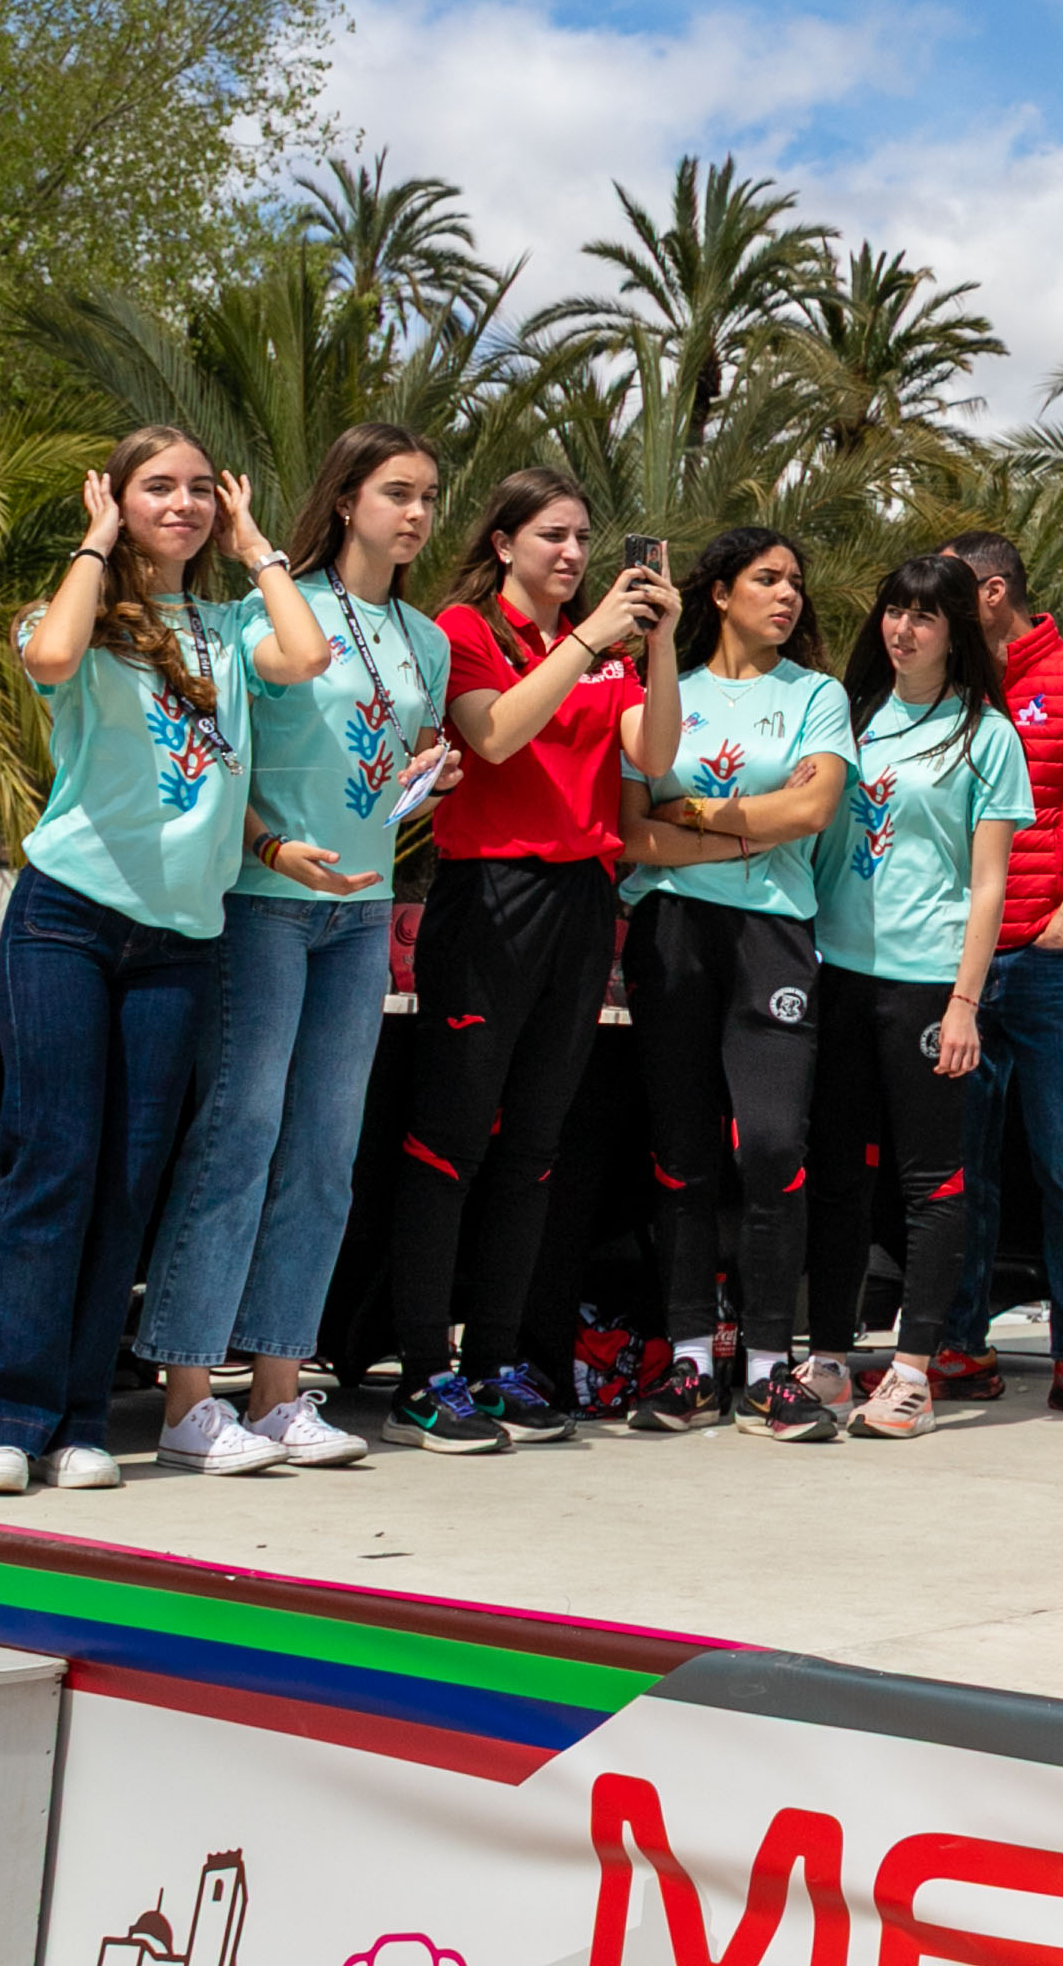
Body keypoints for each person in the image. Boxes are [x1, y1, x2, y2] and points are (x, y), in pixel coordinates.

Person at [0, 428, 333, 1494]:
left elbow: (307, 657)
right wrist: (96, 540)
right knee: (53, 1162)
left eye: (202, 488)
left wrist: (256, 547)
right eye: (158, 486)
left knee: (126, 1182)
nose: (185, 503)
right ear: (114, 498)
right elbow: (51, 661)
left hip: (179, 941)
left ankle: (77, 1422)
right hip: (68, 919)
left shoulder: (232, 627)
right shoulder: (65, 611)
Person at [138, 422, 456, 1478]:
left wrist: (426, 783)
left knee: (325, 1152)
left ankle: (279, 1395)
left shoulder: (426, 638)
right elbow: (220, 762)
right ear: (348, 497)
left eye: (429, 497)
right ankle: (188, 1397)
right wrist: (275, 847)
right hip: (265, 905)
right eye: (398, 492)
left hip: (361, 915)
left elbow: (397, 767)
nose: (417, 514)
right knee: (240, 1136)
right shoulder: (259, 614)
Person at [393, 471, 680, 1454]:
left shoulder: (603, 651)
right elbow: (493, 734)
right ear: (504, 541)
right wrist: (592, 639)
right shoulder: (464, 629)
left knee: (534, 1148)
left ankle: (494, 1361)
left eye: (584, 539)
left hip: (582, 902)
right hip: (490, 896)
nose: (573, 554)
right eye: (553, 535)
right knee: (450, 1141)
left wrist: (661, 644)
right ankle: (422, 1372)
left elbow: (656, 756)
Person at [613, 525, 854, 1434]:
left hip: (774, 937)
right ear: (718, 593)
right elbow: (635, 832)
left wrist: (703, 813)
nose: (788, 595)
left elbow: (814, 807)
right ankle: (686, 1362)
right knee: (682, 1149)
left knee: (773, 1147)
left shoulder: (817, 695)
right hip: (672, 929)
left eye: (796, 581)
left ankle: (765, 1366)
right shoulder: (663, 691)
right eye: (767, 579)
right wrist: (750, 828)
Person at [792, 554, 1028, 1444]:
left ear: (956, 629)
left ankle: (914, 1371)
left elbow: (990, 883)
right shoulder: (847, 717)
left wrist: (966, 1001)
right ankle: (827, 1360)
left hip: (930, 982)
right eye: (894, 610)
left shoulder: (986, 735)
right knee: (837, 1178)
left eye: (924, 616)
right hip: (838, 974)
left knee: (932, 1181)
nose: (903, 629)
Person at [931, 529, 1063, 1424]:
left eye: (949, 586)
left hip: (1052, 959)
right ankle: (960, 1344)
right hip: (962, 962)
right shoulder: (946, 687)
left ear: (991, 592)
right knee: (963, 1167)